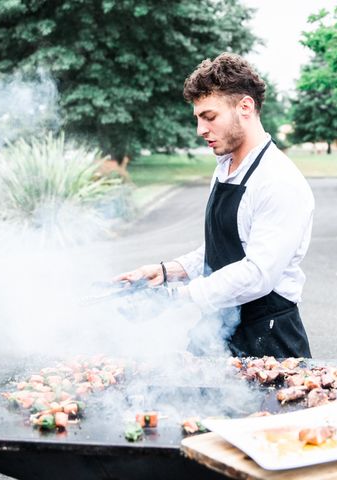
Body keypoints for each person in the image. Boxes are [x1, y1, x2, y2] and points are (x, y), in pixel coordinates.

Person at [116, 53, 314, 358]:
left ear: (245, 107)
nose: (200, 130)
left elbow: (258, 273)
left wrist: (175, 298)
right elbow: (222, 251)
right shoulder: (225, 166)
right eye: (198, 119)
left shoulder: (279, 181)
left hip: (269, 337)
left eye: (209, 117)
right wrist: (167, 271)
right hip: (218, 328)